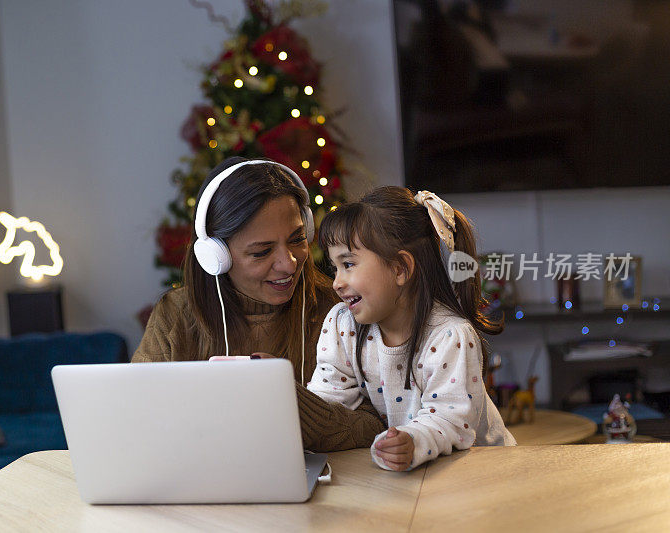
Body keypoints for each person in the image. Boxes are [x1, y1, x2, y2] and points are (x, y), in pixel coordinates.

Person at [133, 156, 387, 451]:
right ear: (216, 256)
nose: (289, 264)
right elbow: (137, 421)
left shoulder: (341, 310)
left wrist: (291, 402)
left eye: (297, 239)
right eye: (262, 252)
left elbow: (379, 424)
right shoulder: (174, 315)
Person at [307, 186, 515, 471]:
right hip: (419, 472)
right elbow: (328, 400)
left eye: (348, 264)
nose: (337, 282)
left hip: (482, 471)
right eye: (335, 268)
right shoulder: (343, 325)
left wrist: (411, 440)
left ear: (400, 268)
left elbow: (448, 420)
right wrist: (292, 404)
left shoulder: (450, 335)